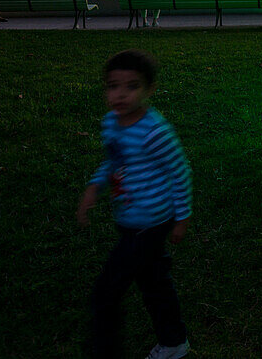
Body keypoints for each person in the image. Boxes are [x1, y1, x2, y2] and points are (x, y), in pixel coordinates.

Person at [77, 49, 192, 359]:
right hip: (128, 219)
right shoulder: (111, 124)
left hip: (150, 223)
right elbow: (115, 160)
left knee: (106, 292)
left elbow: (179, 171)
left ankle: (106, 349)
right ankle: (174, 342)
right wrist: (93, 187)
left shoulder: (155, 132)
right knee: (154, 282)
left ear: (148, 90)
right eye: (113, 86)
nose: (120, 94)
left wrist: (181, 218)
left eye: (132, 86)